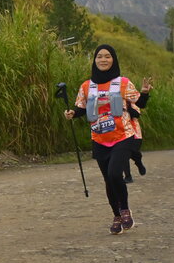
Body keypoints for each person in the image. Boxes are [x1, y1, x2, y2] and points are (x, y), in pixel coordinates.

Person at [64, 44, 141, 235]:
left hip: (123, 136)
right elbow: (81, 108)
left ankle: (125, 210)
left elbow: (139, 102)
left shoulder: (124, 83)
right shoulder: (86, 86)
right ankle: (116, 215)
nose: (103, 60)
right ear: (94, 60)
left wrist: (142, 96)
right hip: (99, 138)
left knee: (115, 174)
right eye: (99, 56)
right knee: (108, 180)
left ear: (113, 59)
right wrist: (72, 113)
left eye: (107, 56)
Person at [123, 77, 153, 183]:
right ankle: (128, 176)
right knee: (123, 154)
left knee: (133, 152)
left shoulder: (132, 101)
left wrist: (126, 109)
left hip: (134, 132)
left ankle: (139, 163)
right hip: (121, 132)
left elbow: (136, 114)